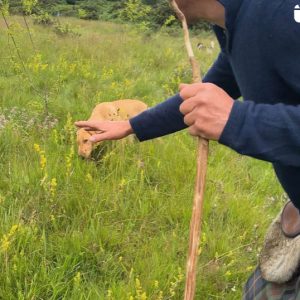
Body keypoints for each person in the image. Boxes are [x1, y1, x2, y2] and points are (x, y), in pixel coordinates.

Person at [75, 0, 300, 296]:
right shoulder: (235, 24)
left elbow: (230, 111)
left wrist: (237, 120)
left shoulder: (281, 14)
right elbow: (215, 86)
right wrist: (132, 125)